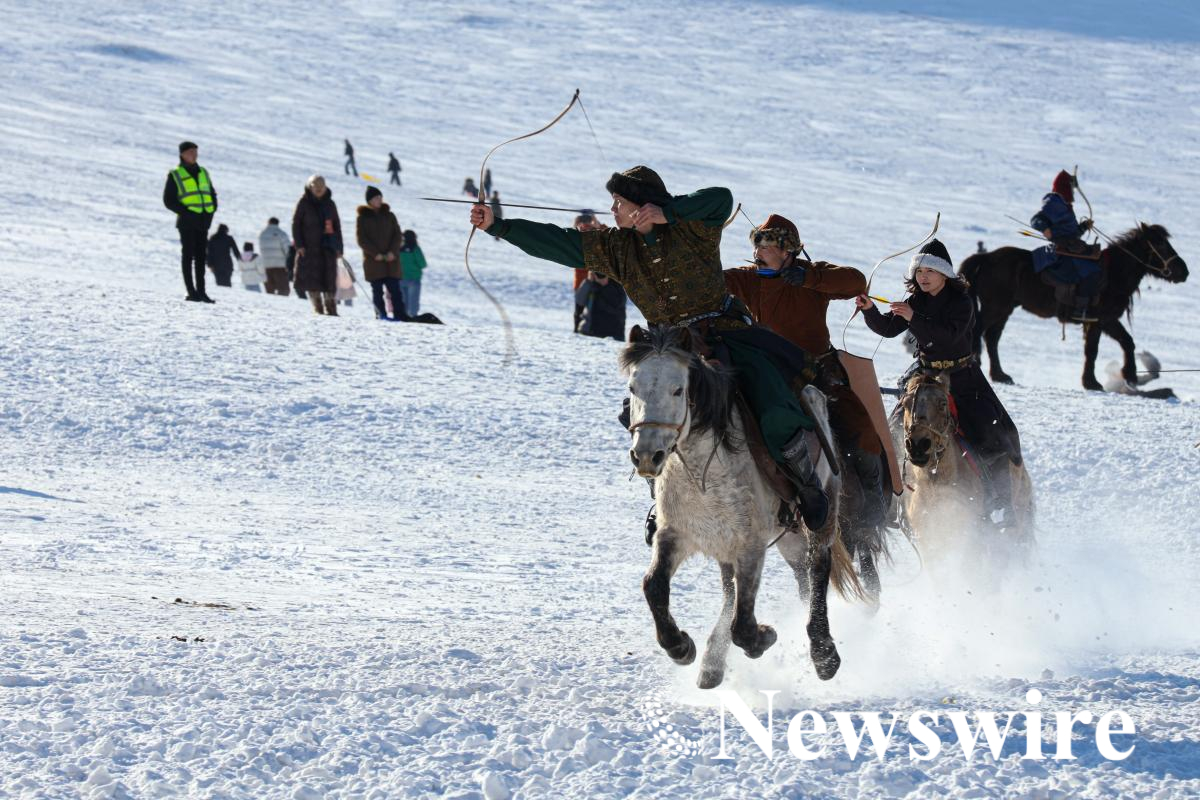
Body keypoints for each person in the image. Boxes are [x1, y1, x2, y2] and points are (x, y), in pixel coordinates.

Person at [471, 165, 830, 529]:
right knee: (641, 415)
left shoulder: (692, 228)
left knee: (770, 399)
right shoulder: (615, 247)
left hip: (725, 334)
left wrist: (668, 212)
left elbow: (720, 198)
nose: (612, 209)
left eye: (618, 202)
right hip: (668, 346)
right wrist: (498, 226)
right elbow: (559, 243)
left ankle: (806, 485)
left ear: (642, 205)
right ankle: (663, 500)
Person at [724, 214, 888, 530]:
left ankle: (874, 506)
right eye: (756, 246)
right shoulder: (749, 279)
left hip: (819, 372)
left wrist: (810, 277)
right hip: (770, 374)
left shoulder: (812, 276)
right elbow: (713, 282)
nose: (757, 253)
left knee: (861, 428)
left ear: (787, 250)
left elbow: (856, 281)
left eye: (766, 246)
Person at [857, 239, 1023, 525]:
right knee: (894, 430)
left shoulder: (962, 302)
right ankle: (889, 501)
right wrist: (869, 309)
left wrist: (913, 318)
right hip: (925, 377)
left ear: (944, 274)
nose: (923, 277)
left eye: (929, 271)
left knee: (992, 432)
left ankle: (1002, 504)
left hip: (963, 377)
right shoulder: (915, 301)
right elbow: (888, 328)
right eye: (919, 271)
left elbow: (947, 337)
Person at [1030, 170, 1100, 322]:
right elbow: (1036, 220)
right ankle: (1079, 311)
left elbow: (1071, 234)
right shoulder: (1054, 202)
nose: (1073, 192)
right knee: (1090, 271)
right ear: (1065, 187)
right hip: (1061, 252)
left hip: (1070, 247)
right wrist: (1045, 228)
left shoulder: (1064, 205)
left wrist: (1083, 227)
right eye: (1071, 188)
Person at [162, 140, 216, 302]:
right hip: (186, 222)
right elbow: (168, 200)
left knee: (201, 257)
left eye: (195, 151)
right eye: (191, 152)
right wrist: (186, 212)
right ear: (182, 154)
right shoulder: (175, 174)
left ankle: (202, 292)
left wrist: (211, 211)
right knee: (188, 256)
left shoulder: (203, 172)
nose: (194, 155)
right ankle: (191, 291)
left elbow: (212, 194)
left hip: (203, 221)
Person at [292, 175, 344, 316]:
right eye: (316, 187)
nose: (319, 189)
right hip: (309, 248)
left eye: (322, 187)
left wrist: (339, 247)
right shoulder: (303, 203)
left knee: (329, 280)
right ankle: (318, 308)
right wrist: (299, 245)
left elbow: (337, 226)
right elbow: (296, 225)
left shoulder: (330, 204)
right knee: (312, 279)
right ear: (311, 187)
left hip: (328, 248)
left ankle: (331, 309)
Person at [356, 186, 407, 321]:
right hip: (374, 262)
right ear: (369, 201)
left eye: (380, 197)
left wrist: (392, 252)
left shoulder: (389, 215)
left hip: (391, 261)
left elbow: (397, 235)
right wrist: (375, 254)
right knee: (377, 290)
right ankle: (381, 315)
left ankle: (400, 315)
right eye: (376, 198)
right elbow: (362, 239)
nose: (379, 200)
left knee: (395, 290)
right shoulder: (362, 218)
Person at [572, 212, 605, 331]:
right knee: (579, 308)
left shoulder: (597, 236)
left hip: (596, 281)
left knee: (593, 308)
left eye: (588, 226)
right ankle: (577, 328)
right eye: (583, 226)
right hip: (582, 282)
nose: (585, 229)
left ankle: (586, 329)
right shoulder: (577, 239)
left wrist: (598, 225)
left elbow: (608, 235)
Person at [575, 271, 627, 340]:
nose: (600, 275)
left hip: (613, 333)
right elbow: (579, 301)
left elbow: (617, 305)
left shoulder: (617, 285)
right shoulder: (591, 284)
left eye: (603, 273)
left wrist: (605, 286)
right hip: (589, 331)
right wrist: (588, 282)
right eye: (597, 272)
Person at [259, 217, 292, 296]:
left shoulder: (262, 234)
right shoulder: (281, 233)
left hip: (266, 265)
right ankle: (282, 302)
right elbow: (288, 249)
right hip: (280, 265)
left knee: (270, 289)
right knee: (283, 288)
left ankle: (271, 302)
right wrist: (288, 261)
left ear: (268, 223)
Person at [398, 229, 427, 316]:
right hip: (414, 279)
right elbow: (423, 264)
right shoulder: (415, 249)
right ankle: (413, 318)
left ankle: (403, 317)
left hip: (400, 279)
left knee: (403, 302)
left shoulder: (398, 249)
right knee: (413, 303)